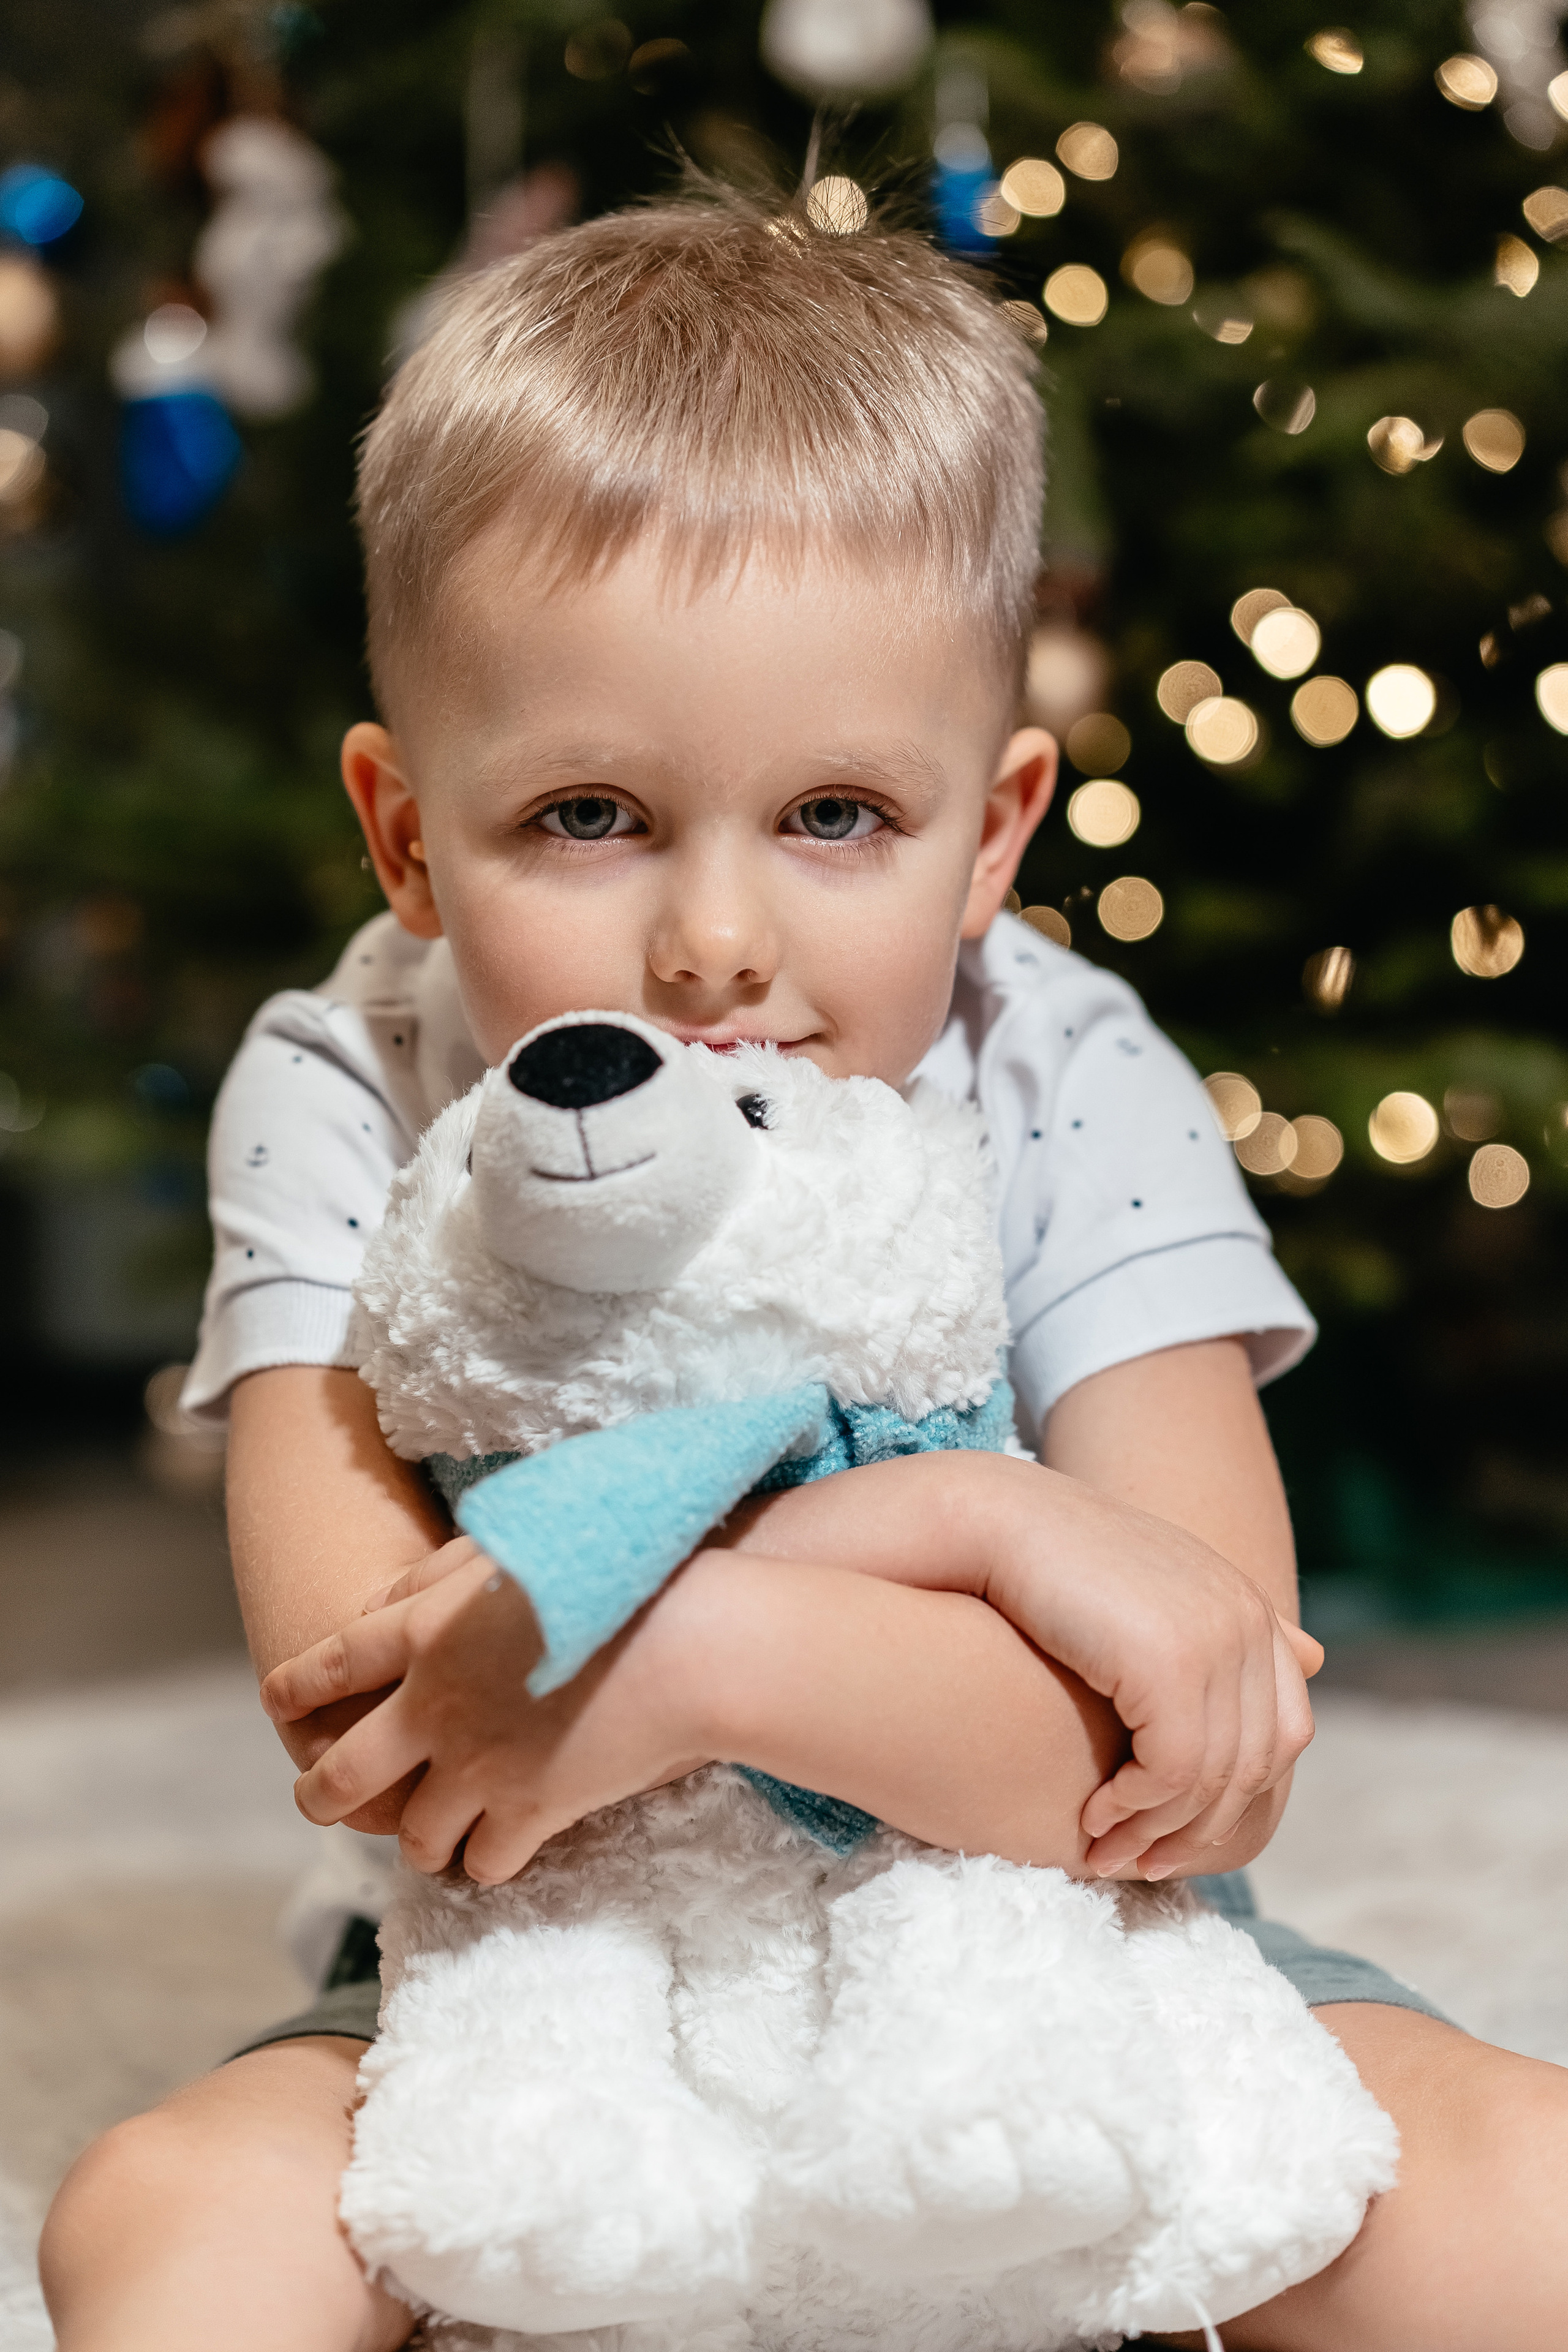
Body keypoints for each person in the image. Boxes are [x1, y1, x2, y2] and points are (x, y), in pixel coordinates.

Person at [40, 186, 1568, 2352]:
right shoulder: (351, 1077)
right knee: (168, 2226)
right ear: (404, 832)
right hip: (536, 1977)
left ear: (996, 828)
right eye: (589, 815)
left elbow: (1181, 1765)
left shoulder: (1058, 1061)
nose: (718, 944)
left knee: (1528, 2198)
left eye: (840, 814)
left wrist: (655, 1659)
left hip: (1065, 1955)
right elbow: (383, 1725)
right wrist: (975, 1538)